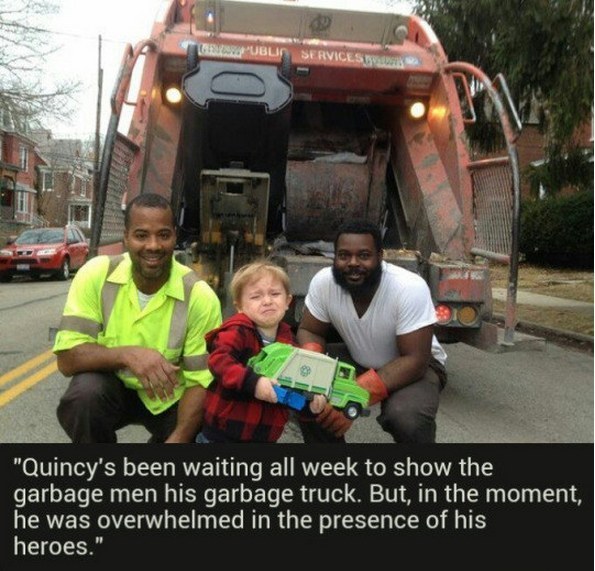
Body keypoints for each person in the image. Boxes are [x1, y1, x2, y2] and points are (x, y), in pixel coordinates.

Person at [53, 193, 222, 443]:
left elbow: (201, 382)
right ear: (126, 237)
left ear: (175, 236)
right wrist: (129, 356)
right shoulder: (96, 275)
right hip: (112, 388)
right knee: (84, 396)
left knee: (210, 423)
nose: (153, 246)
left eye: (163, 235)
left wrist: (178, 439)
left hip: (172, 398)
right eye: (141, 235)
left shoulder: (199, 296)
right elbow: (67, 359)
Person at [297, 219, 448, 443]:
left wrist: (352, 398)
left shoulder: (408, 287)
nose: (353, 263)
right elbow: (310, 330)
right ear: (334, 257)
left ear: (380, 256)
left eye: (364, 255)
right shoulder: (324, 283)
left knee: (406, 418)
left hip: (415, 365)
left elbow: (415, 360)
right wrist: (317, 377)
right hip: (358, 358)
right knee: (304, 393)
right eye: (344, 255)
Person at [197, 261, 325, 443]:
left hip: (265, 437)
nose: (267, 301)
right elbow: (219, 362)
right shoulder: (237, 331)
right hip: (222, 435)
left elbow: (294, 387)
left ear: (288, 301)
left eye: (275, 294)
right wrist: (254, 383)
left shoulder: (290, 342)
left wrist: (308, 406)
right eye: (256, 296)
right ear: (239, 306)